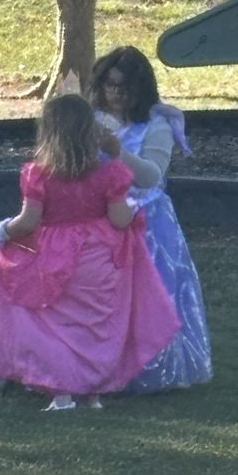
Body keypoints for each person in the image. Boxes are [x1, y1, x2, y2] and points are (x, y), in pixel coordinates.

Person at [0, 94, 180, 411]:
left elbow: (29, 220)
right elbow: (119, 219)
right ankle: (92, 393)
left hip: (54, 258)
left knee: (55, 325)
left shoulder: (39, 174)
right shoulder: (110, 173)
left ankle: (62, 393)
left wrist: (3, 231)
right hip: (98, 258)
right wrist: (132, 207)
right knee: (94, 325)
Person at [89, 46, 213, 393]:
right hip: (99, 217)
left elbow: (151, 176)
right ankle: (96, 366)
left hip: (148, 223)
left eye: (123, 87)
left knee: (146, 296)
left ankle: (150, 368)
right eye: (109, 84)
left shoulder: (156, 125)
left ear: (140, 89)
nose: (114, 93)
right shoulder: (92, 119)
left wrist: (117, 152)